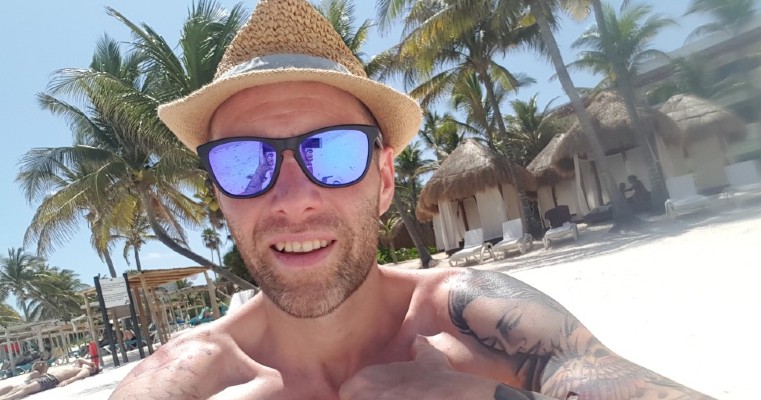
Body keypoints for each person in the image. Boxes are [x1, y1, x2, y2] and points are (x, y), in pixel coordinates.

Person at [111, 0, 712, 399]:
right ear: (219, 193)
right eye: (245, 163)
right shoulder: (187, 381)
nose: (293, 200)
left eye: (336, 153)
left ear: (386, 178)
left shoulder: (475, 321)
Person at [0, 358, 99, 400]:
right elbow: (79, 360)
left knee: (27, 389)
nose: (92, 366)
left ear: (94, 370)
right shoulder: (78, 367)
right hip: (46, 377)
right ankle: (4, 397)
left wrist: (67, 381)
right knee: (17, 388)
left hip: (51, 380)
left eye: (94, 367)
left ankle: (6, 399)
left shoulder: (86, 371)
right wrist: (89, 362)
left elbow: (77, 377)